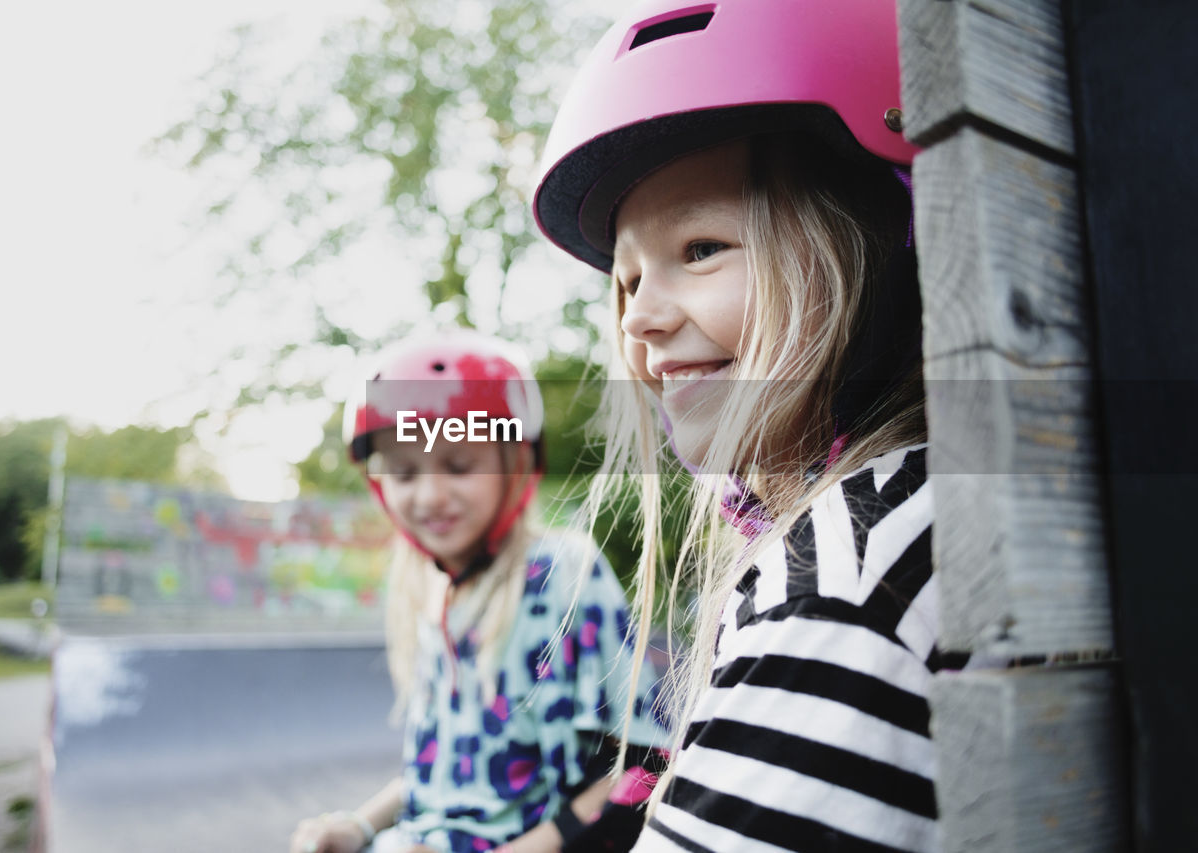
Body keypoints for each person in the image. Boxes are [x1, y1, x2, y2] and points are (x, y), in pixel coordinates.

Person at [532, 1, 950, 850]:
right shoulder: (910, 510)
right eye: (626, 281)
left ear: (875, 243)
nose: (640, 318)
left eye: (699, 250)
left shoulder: (840, 580)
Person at [290, 330, 668, 853]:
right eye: (403, 473)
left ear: (514, 465)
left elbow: (644, 768)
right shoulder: (432, 592)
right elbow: (444, 774)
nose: (430, 495)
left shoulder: (563, 574)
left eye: (460, 466)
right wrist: (357, 825)